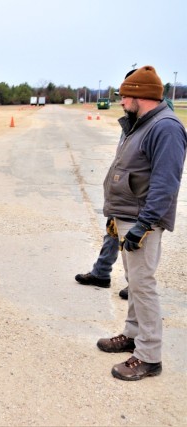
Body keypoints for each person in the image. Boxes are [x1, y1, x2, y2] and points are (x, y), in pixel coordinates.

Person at [97, 65, 187, 381]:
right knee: (134, 282)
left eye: (124, 96)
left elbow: (166, 183)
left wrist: (143, 225)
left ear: (139, 95)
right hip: (128, 218)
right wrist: (117, 216)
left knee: (143, 285)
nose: (121, 102)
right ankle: (133, 334)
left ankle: (149, 356)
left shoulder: (166, 128)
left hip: (142, 222)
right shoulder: (139, 123)